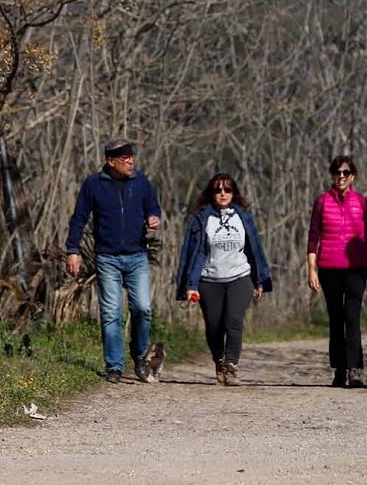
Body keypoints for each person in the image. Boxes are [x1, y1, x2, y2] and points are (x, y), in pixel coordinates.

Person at [65, 137, 163, 383]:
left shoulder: (141, 182)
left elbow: (153, 207)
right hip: (107, 257)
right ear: (110, 161)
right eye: (124, 158)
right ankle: (114, 367)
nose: (130, 161)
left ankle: (140, 355)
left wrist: (153, 217)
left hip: (137, 256)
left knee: (142, 308)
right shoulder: (93, 185)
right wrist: (73, 249)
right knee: (110, 313)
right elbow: (79, 218)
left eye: (131, 157)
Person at [174, 173, 273, 386]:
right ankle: (219, 360)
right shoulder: (202, 219)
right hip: (209, 279)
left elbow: (254, 249)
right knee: (214, 325)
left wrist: (259, 280)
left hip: (240, 276)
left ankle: (231, 366)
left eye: (227, 190)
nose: (223, 193)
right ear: (212, 193)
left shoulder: (243, 217)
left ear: (233, 193)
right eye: (218, 190)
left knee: (234, 320)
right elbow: (195, 254)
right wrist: (191, 285)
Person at [306, 155, 367, 388]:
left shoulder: (361, 202)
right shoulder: (322, 202)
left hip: (356, 268)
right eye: (337, 172)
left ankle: (355, 369)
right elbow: (313, 237)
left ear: (353, 176)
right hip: (329, 267)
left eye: (346, 172)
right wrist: (311, 270)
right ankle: (339, 369)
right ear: (332, 175)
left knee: (352, 318)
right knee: (336, 319)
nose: (341, 176)